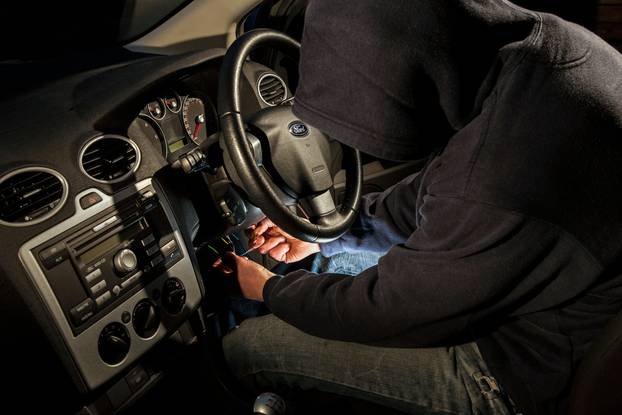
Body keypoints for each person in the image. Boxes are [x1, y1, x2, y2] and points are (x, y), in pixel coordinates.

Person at [216, 1, 622, 414]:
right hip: (528, 303)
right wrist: (325, 236)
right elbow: (437, 193)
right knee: (320, 266)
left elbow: (384, 312)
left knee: (248, 348)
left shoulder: (504, 175)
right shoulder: (546, 54)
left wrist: (268, 288)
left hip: (512, 369)